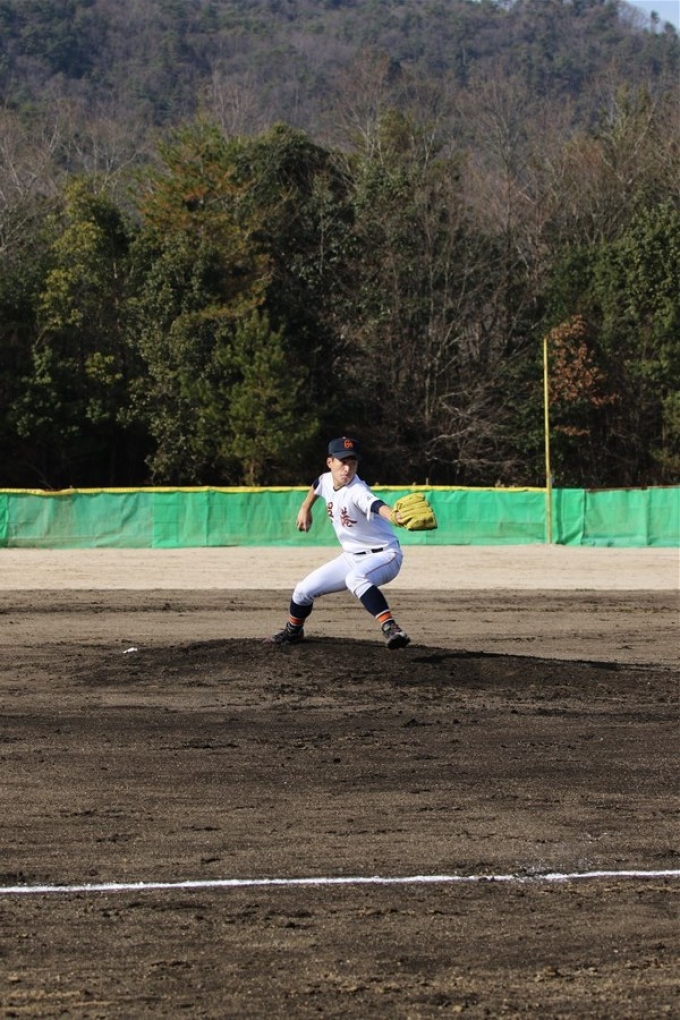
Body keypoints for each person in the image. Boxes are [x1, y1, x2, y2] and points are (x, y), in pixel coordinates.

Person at [268, 436, 411, 650]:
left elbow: (375, 504)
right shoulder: (326, 480)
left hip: (385, 556)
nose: (347, 468)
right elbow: (317, 485)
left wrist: (393, 516)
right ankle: (293, 631)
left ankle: (391, 628)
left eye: (352, 463)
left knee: (356, 578)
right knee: (302, 591)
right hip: (351, 557)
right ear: (330, 462)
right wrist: (305, 508)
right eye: (343, 462)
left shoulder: (357, 490)